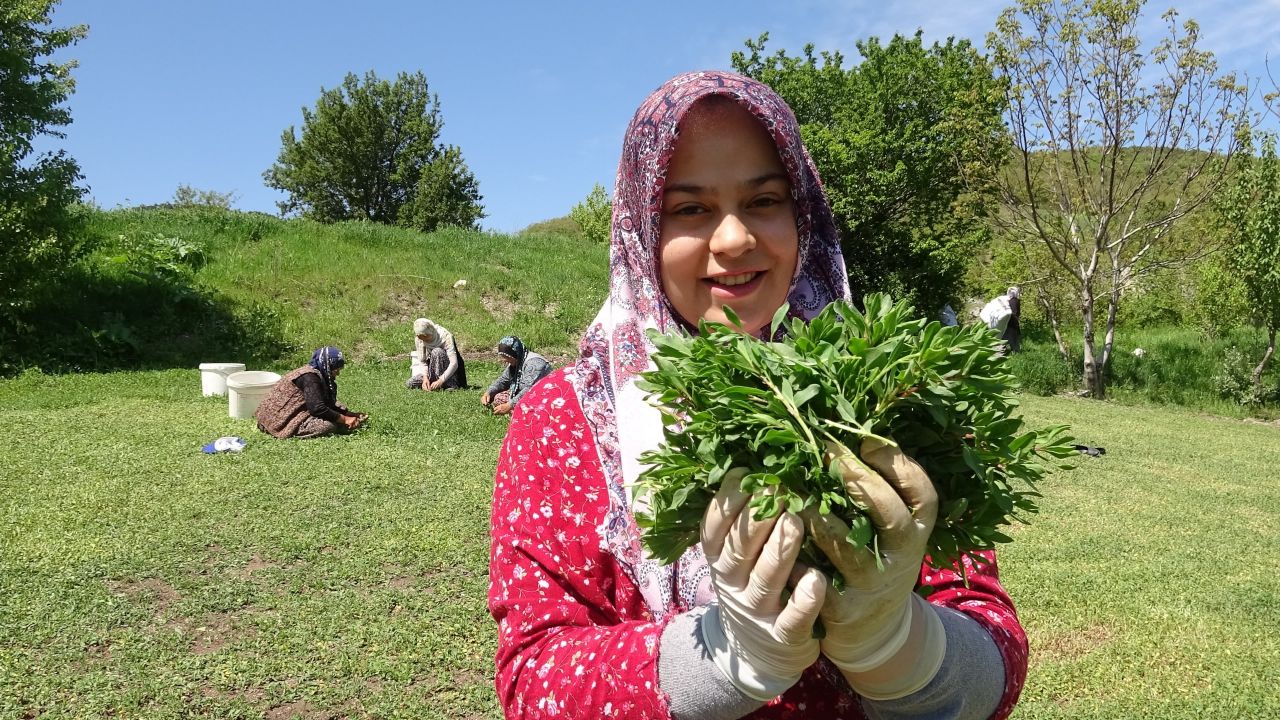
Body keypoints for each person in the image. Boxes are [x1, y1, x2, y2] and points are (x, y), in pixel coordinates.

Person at [487, 71, 1027, 720]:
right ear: (641, 232)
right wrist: (715, 659)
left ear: (803, 213)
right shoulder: (566, 421)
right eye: (690, 209)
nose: (735, 238)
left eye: (764, 200)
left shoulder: (894, 395)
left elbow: (993, 642)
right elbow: (533, 677)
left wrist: (900, 646)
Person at [255, 346, 366, 439]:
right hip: (276, 420)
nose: (337, 374)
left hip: (295, 411)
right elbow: (317, 408)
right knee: (328, 426)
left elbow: (327, 403)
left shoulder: (317, 374)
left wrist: (349, 414)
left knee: (339, 407)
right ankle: (289, 431)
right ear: (327, 366)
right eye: (335, 370)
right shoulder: (310, 378)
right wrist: (345, 419)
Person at [481, 335, 553, 416]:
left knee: (533, 409)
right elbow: (503, 380)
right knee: (499, 398)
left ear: (515, 354)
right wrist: (489, 392)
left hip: (541, 396)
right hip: (523, 394)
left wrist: (510, 405)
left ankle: (522, 413)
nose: (504, 360)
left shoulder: (535, 363)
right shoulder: (517, 361)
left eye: (506, 357)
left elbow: (529, 389)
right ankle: (517, 411)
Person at [406, 317, 467, 391]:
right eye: (420, 337)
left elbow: (454, 363)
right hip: (432, 371)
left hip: (449, 374)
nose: (423, 339)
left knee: (437, 351)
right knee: (410, 383)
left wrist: (441, 380)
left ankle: (448, 384)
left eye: (425, 337)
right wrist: (425, 378)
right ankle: (431, 383)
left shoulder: (445, 336)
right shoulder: (419, 339)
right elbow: (423, 361)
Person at [1002, 287, 1022, 353]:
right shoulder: (1015, 301)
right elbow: (1016, 313)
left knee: (1006, 338)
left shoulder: (1010, 301)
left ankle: (1004, 352)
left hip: (1008, 323)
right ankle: (1015, 352)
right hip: (1012, 323)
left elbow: (1013, 313)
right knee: (1013, 339)